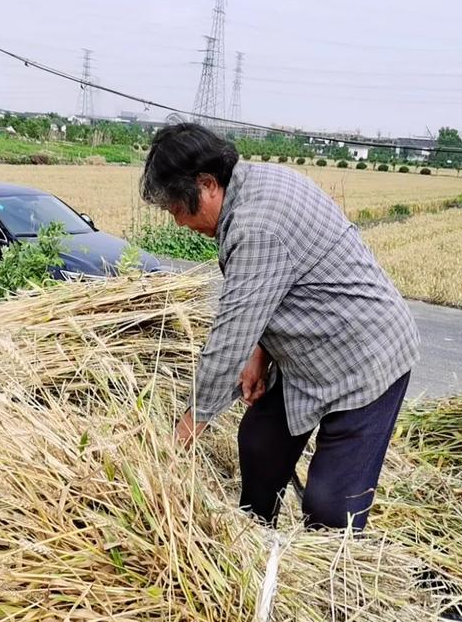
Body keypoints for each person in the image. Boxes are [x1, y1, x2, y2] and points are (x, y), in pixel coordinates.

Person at [140, 123, 419, 530]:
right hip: (314, 349)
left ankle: (327, 576)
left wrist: (185, 431)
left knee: (330, 509)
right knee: (260, 443)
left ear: (207, 183)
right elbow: (277, 287)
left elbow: (229, 337)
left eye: (179, 208)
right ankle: (256, 539)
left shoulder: (257, 226)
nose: (180, 222)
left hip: (366, 358)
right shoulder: (252, 182)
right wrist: (259, 353)